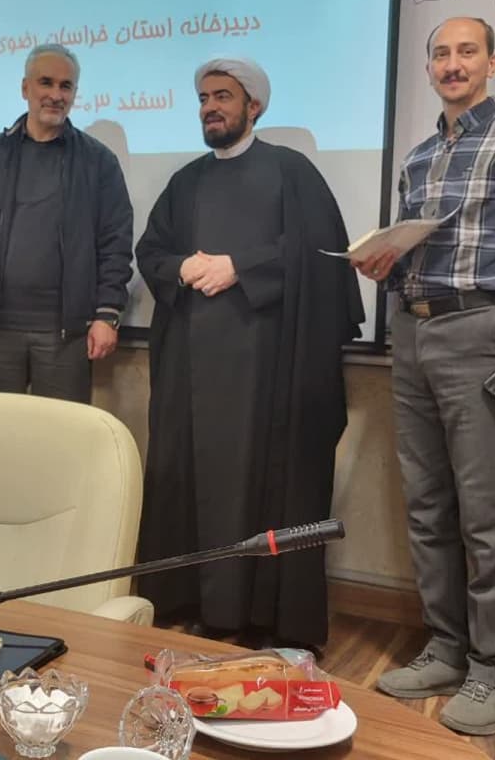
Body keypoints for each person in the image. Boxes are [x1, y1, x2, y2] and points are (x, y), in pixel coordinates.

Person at [360, 17, 495, 736]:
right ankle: (447, 648)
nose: (452, 64)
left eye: (466, 52)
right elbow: (416, 246)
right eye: (441, 54)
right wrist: (384, 261)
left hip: (484, 330)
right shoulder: (419, 157)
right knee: (427, 504)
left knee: (487, 513)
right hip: (413, 330)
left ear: (491, 61)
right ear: (429, 67)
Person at [136, 56, 363, 651]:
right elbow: (151, 250)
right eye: (204, 98)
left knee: (264, 490)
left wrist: (241, 266)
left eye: (223, 97)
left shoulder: (292, 172)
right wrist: (182, 266)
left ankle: (264, 617)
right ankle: (194, 601)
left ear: (253, 106)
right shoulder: (186, 182)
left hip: (269, 377)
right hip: (193, 376)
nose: (211, 107)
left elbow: (320, 253)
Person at [0, 43, 133, 402]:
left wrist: (107, 313)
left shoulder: (98, 161)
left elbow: (116, 242)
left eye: (66, 86)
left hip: (67, 334)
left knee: (60, 433)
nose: (56, 95)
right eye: (46, 82)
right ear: (25, 88)